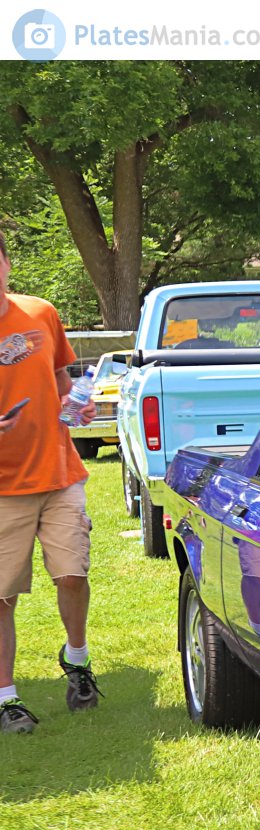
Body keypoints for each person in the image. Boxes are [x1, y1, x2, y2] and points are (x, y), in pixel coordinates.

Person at [0, 229, 101, 734]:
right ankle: (6, 698)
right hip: (1, 490)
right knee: (1, 596)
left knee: (73, 575)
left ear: (6, 264)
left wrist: (75, 407)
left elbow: (63, 383)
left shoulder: (40, 313)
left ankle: (77, 660)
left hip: (59, 474)